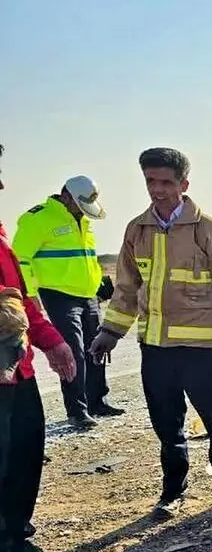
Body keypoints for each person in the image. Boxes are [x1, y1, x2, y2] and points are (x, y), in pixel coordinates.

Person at [89, 148, 212, 521]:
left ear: (184, 184)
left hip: (200, 349)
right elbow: (127, 288)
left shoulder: (208, 230)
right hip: (156, 349)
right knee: (167, 425)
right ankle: (173, 491)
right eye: (151, 181)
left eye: (166, 182)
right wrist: (110, 331)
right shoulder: (138, 230)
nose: (158, 189)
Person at [0, 144, 80, 552]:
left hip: (16, 368)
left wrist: (50, 339)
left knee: (25, 456)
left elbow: (19, 296)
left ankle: (15, 546)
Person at [12, 175, 121, 429]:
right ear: (67, 196)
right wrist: (29, 295)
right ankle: (77, 410)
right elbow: (21, 260)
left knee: (97, 347)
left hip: (88, 294)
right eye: (79, 204)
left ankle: (97, 401)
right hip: (58, 295)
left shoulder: (83, 221)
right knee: (72, 352)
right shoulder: (37, 219)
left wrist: (99, 285)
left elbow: (86, 258)